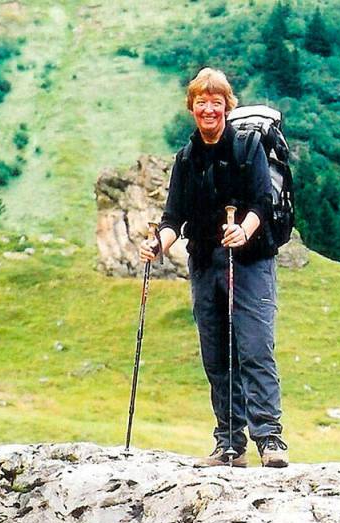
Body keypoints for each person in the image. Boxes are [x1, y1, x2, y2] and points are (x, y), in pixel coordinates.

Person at [139, 68, 287, 468]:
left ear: (227, 106)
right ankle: (229, 444)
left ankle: (270, 439)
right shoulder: (186, 159)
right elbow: (174, 218)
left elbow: (261, 202)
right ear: (192, 107)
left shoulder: (247, 146)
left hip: (250, 260)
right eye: (201, 101)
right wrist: (159, 243)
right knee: (217, 355)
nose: (208, 108)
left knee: (254, 347)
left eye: (216, 101)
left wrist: (243, 230)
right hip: (205, 262)